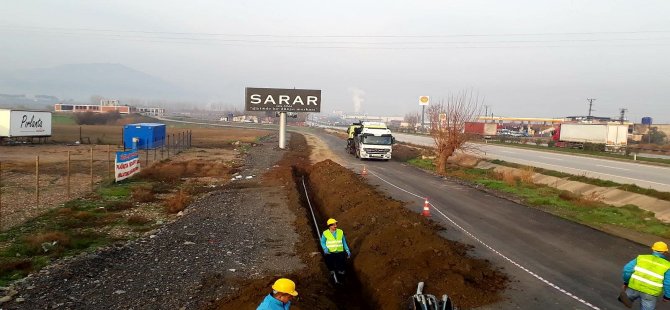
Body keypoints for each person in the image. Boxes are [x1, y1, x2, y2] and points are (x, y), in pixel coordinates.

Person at [620, 241, 670, 309]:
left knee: (625, 299)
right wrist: (667, 296)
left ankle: (626, 298)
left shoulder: (641, 258)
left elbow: (627, 270)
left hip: (634, 287)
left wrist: (626, 282)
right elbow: (668, 283)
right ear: (665, 252)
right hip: (650, 293)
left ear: (653, 249)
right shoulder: (667, 265)